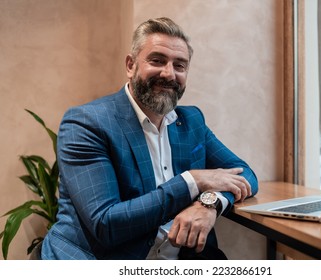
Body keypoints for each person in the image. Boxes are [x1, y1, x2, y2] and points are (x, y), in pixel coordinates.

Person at [41, 17, 258, 260]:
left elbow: (245, 174)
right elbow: (106, 223)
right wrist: (192, 181)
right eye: (157, 61)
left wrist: (209, 203)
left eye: (180, 65)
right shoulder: (86, 123)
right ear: (130, 65)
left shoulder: (191, 121)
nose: (169, 74)